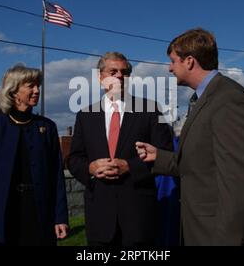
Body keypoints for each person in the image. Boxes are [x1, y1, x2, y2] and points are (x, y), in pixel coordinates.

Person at [136, 28, 244, 246]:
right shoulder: (203, 99)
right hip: (200, 229)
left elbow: (235, 179)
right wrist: (159, 157)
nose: (169, 68)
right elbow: (200, 164)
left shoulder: (228, 98)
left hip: (217, 234)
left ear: (189, 61)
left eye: (173, 61)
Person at [66, 52, 173, 246]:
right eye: (112, 71)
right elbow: (74, 159)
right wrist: (90, 168)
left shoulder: (151, 109)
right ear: (100, 78)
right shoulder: (85, 115)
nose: (118, 76)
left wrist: (130, 167)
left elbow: (165, 154)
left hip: (138, 215)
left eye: (124, 72)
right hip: (99, 216)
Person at [0, 64, 69, 246]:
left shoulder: (47, 127)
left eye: (38, 86)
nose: (37, 90)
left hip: (39, 211)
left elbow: (56, 176)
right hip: (5, 212)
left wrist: (60, 217)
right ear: (13, 92)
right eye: (30, 85)